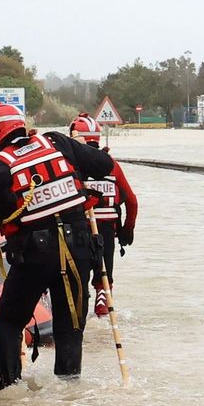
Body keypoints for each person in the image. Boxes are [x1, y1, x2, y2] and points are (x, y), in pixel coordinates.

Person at [0, 102, 117, 389]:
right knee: (70, 326)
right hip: (78, 249)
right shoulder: (55, 142)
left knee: (10, 320)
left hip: (34, 254)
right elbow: (104, 165)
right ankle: (69, 388)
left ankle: (10, 385)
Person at [70, 114, 138, 317]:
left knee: (77, 280)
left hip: (78, 232)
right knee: (104, 279)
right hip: (107, 233)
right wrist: (128, 228)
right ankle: (102, 303)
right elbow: (132, 201)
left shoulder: (70, 166)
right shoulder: (112, 165)